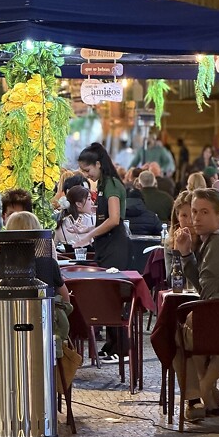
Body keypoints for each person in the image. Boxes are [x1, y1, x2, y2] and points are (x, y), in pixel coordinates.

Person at [175, 188, 219, 425]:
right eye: (194, 211)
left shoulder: (217, 244)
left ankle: (195, 399)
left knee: (173, 336)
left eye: (204, 212)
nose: (196, 218)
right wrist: (186, 254)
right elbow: (205, 287)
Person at [77, 143, 130, 364]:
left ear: (98, 165)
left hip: (115, 247)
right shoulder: (104, 184)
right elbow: (104, 220)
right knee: (109, 297)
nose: (87, 175)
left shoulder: (111, 185)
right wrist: (87, 230)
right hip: (107, 246)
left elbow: (114, 219)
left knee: (114, 299)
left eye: (88, 171)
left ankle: (120, 350)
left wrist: (89, 236)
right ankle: (111, 347)